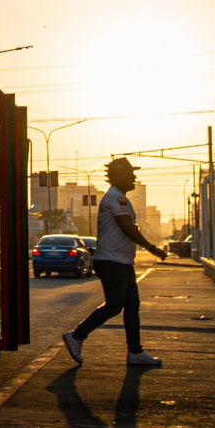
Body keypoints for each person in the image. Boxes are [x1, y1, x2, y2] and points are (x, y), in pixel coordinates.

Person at [62, 157, 168, 367]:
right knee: (114, 306)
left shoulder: (119, 198)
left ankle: (135, 352)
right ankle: (77, 336)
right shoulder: (116, 199)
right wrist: (152, 248)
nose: (134, 177)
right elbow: (128, 227)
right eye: (130, 173)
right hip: (112, 261)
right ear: (119, 175)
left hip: (121, 261)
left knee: (132, 306)